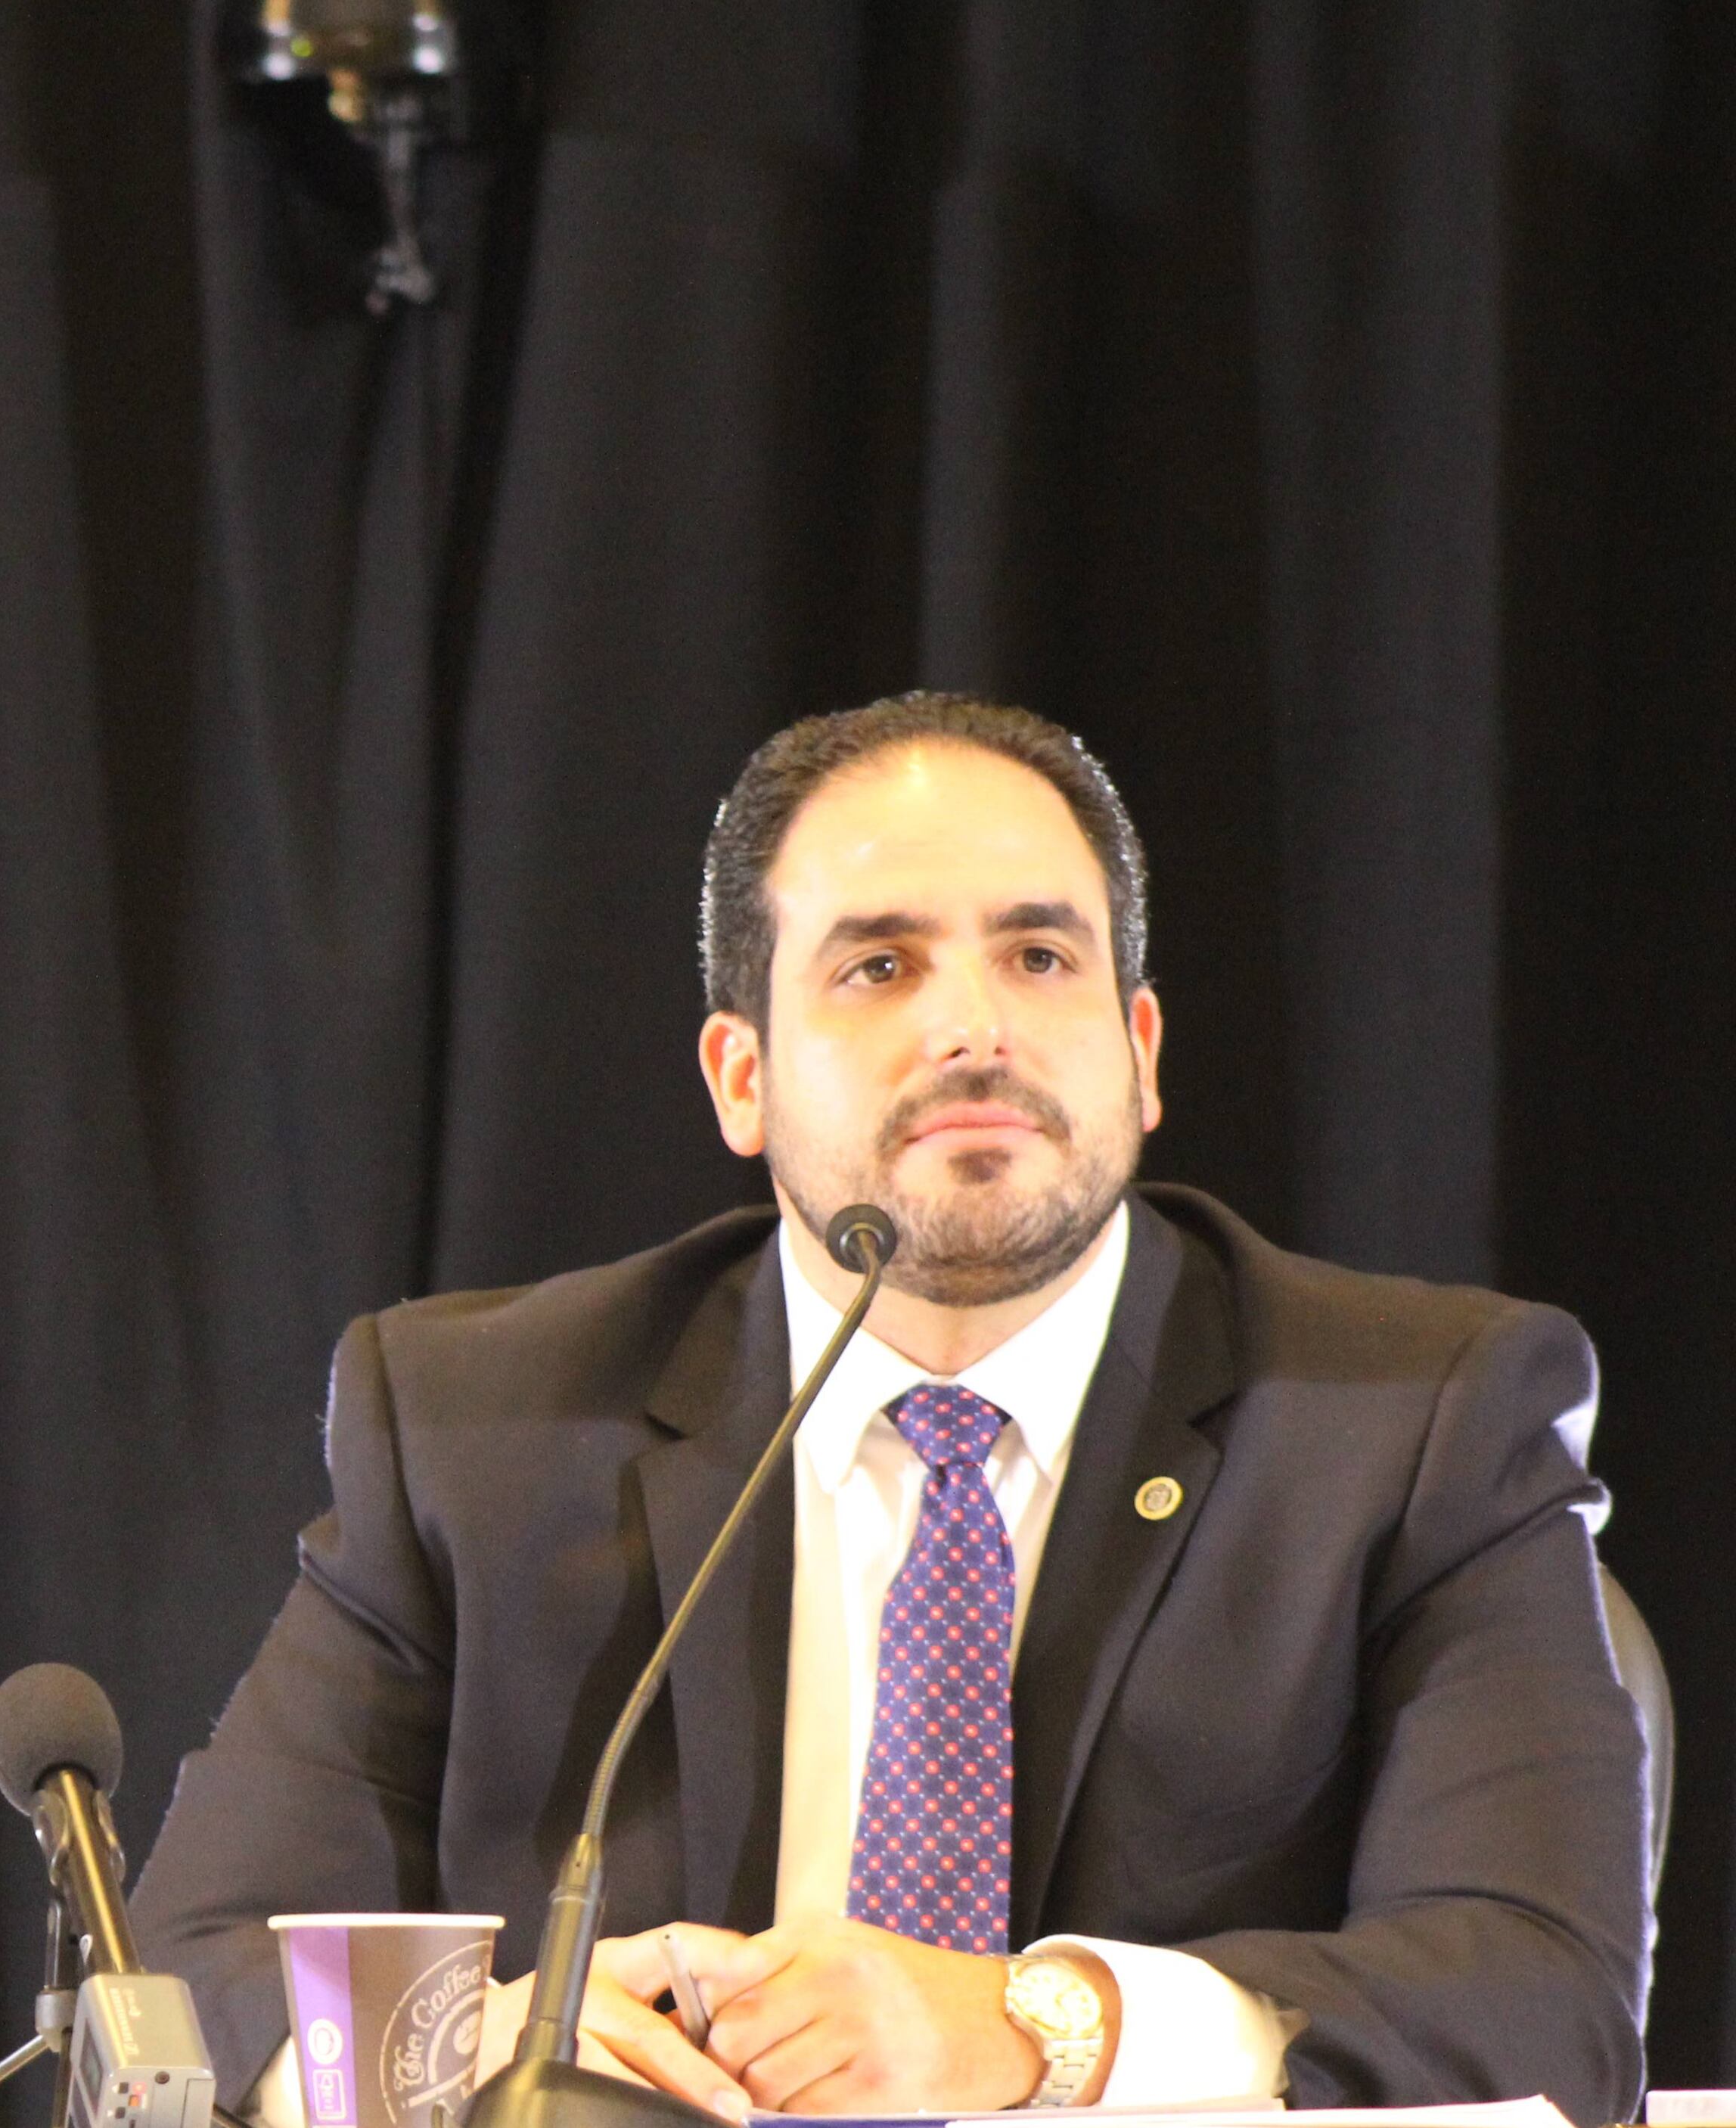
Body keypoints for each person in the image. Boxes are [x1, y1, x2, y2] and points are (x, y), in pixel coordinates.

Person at [130, 694, 1647, 2123]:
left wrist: (1035, 2025)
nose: (974, 1026)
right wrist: (466, 2044)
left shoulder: (1417, 1422)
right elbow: (183, 1982)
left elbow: (1545, 1995)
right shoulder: (481, 1430)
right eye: (879, 967)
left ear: (1141, 1053)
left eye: (1039, 957)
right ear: (741, 1077)